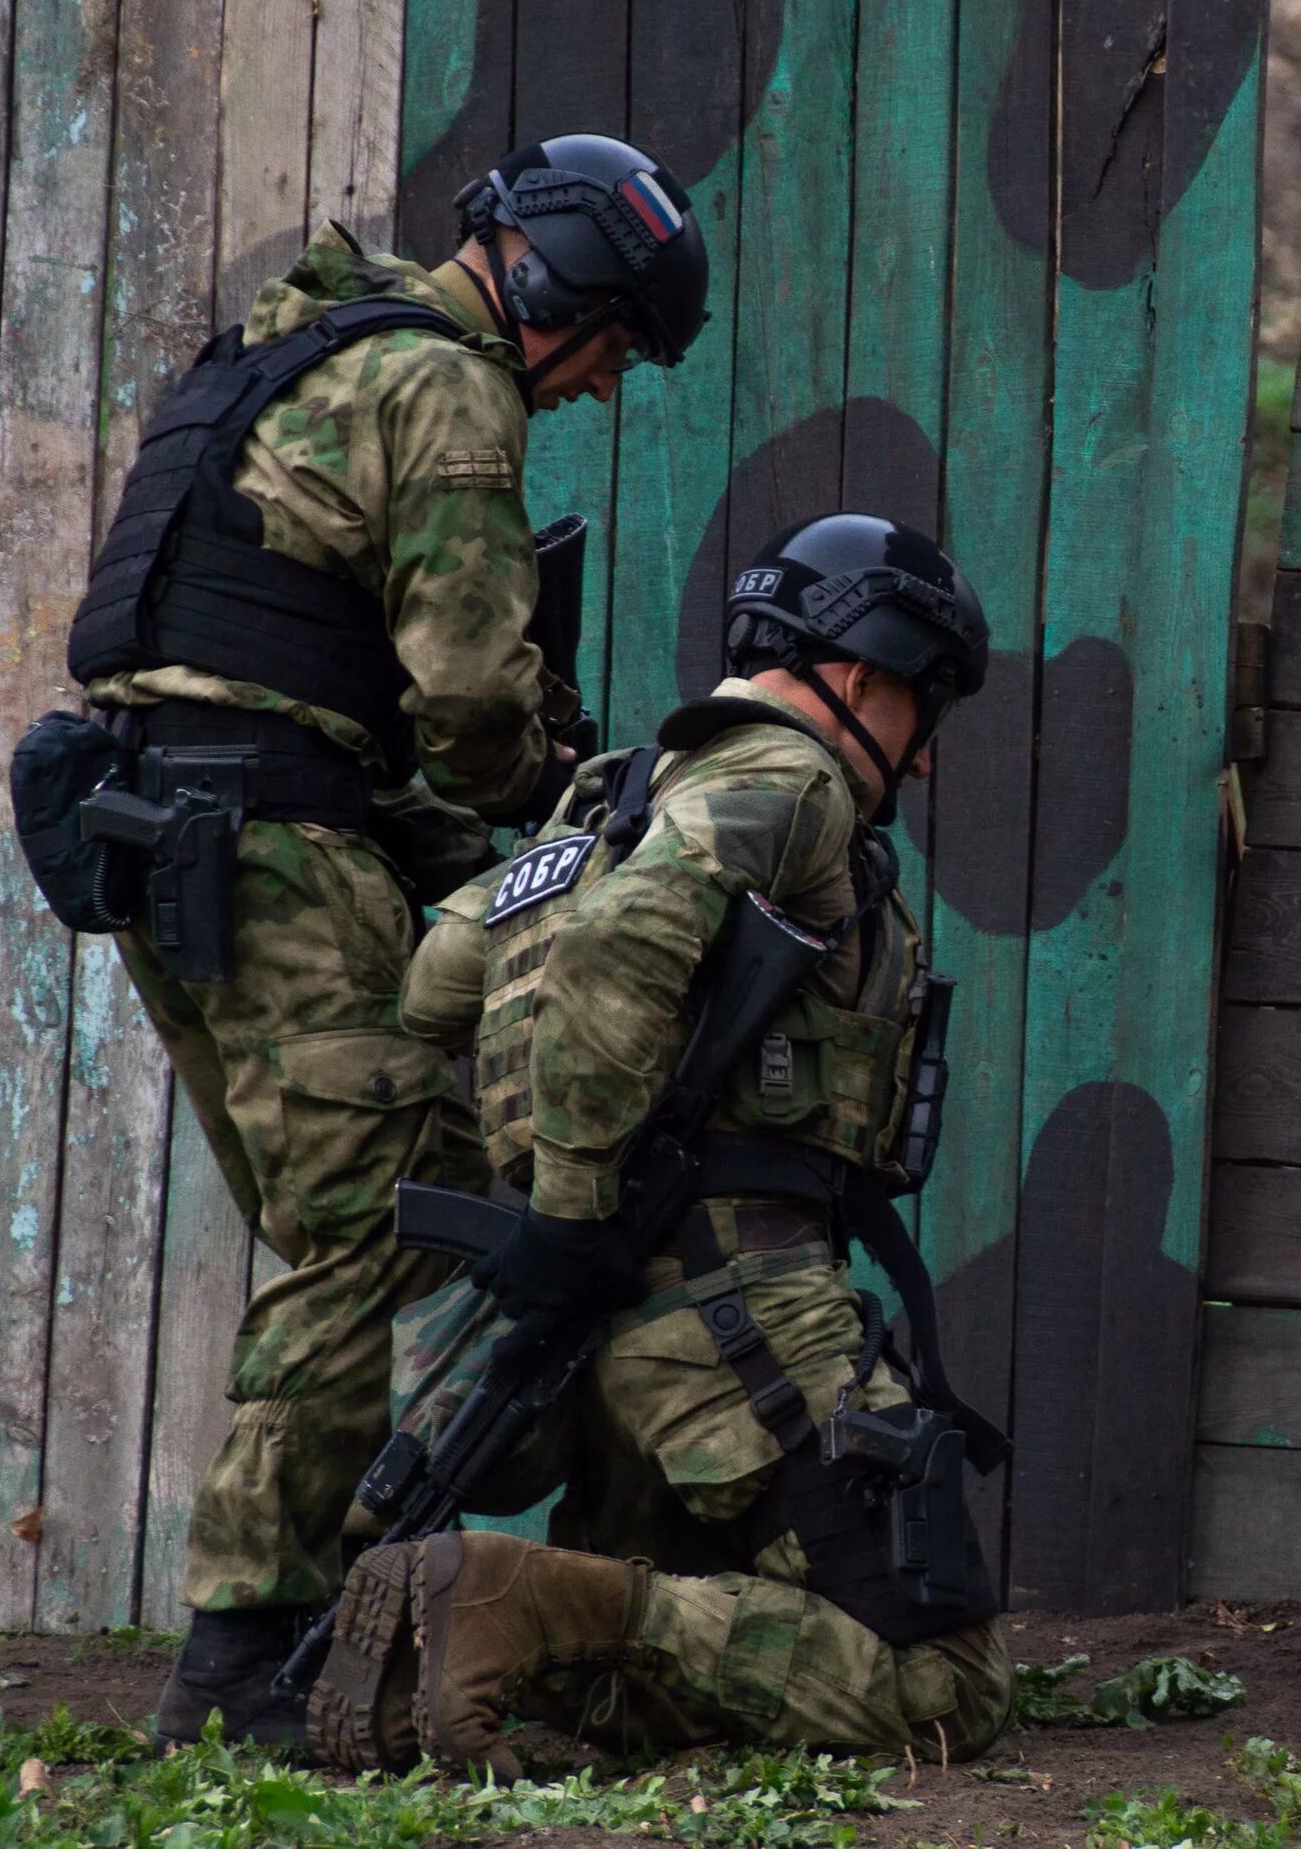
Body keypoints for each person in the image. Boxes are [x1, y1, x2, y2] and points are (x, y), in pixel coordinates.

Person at [51, 132, 711, 1744]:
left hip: (172, 839)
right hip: (272, 856)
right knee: (385, 1225)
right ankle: (240, 1659)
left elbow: (254, 648)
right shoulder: (444, 387)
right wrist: (568, 804)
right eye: (612, 339)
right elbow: (472, 702)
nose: (603, 383)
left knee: (342, 1221)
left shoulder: (286, 346)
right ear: (550, 277)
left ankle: (323, 1601)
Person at [305, 513, 1012, 1777]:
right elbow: (616, 948)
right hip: (734, 1301)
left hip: (618, 1317)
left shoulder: (611, 796)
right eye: (928, 708)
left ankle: (474, 1643)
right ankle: (518, 1600)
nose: (925, 753)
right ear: (862, 680)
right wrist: (579, 1198)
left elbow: (440, 981)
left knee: (667, 1653)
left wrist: (567, 1210)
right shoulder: (791, 783)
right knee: (942, 1684)